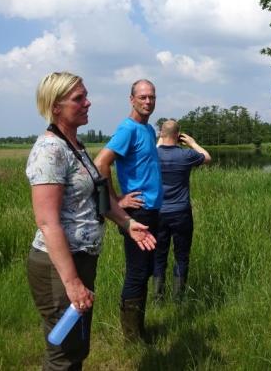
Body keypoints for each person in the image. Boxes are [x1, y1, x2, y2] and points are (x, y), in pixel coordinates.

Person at [26, 72, 155, 369]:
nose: (88, 102)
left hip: (81, 258)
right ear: (56, 106)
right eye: (78, 98)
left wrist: (127, 223)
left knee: (78, 347)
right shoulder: (50, 150)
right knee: (64, 354)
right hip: (58, 265)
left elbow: (99, 198)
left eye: (85, 95)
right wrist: (72, 283)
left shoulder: (75, 145)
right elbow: (48, 223)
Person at [94, 79, 163, 343]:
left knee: (145, 270)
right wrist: (115, 200)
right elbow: (101, 163)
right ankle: (133, 338)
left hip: (152, 210)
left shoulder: (148, 130)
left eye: (152, 97)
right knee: (137, 271)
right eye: (143, 97)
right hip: (139, 214)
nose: (148, 102)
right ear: (131, 99)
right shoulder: (128, 128)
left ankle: (139, 330)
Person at [153, 119, 211, 303]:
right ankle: (178, 298)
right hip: (181, 213)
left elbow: (156, 148)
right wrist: (192, 143)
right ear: (179, 136)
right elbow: (207, 158)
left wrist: (160, 139)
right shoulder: (186, 155)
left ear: (161, 134)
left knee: (159, 255)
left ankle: (157, 298)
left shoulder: (153, 155)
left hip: (158, 214)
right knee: (181, 255)